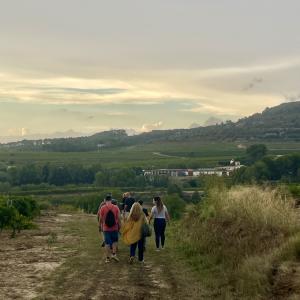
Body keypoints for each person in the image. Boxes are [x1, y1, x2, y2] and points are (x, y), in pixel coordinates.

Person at [99, 195, 121, 263]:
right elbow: (119, 218)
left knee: (107, 243)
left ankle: (107, 258)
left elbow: (100, 219)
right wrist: (119, 226)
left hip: (106, 228)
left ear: (105, 200)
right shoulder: (116, 207)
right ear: (111, 200)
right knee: (114, 241)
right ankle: (114, 254)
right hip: (114, 228)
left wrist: (100, 225)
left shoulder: (102, 208)